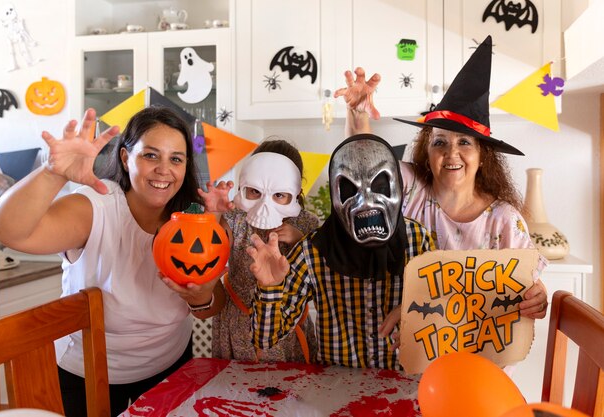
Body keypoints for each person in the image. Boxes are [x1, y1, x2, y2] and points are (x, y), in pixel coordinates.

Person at [0, 106, 226, 417]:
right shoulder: (95, 206)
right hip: (87, 374)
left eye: (175, 159)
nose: (163, 169)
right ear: (126, 159)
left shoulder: (193, 219)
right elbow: (5, 231)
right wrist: (53, 173)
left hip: (170, 367)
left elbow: (214, 304)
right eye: (151, 155)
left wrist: (201, 296)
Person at [333, 35, 549, 338]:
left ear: (483, 156)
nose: (451, 153)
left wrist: (538, 297)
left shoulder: (504, 219)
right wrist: (357, 114)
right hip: (412, 359)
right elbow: (362, 164)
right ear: (427, 152)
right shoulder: (408, 190)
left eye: (464, 142)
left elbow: (528, 285)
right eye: (439, 142)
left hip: (481, 363)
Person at [246, 132, 435, 370]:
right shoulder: (313, 251)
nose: (365, 202)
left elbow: (443, 310)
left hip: (404, 387)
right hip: (335, 392)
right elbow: (264, 339)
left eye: (379, 185)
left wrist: (418, 309)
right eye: (348, 189)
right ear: (335, 196)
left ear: (398, 186)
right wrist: (270, 289)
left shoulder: (418, 241)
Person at [200, 139, 319, 363]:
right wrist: (214, 214)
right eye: (255, 191)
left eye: (279, 194)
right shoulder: (235, 217)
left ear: (295, 191)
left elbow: (318, 270)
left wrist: (300, 240)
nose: (266, 201)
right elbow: (212, 247)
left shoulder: (305, 222)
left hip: (285, 325)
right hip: (236, 321)